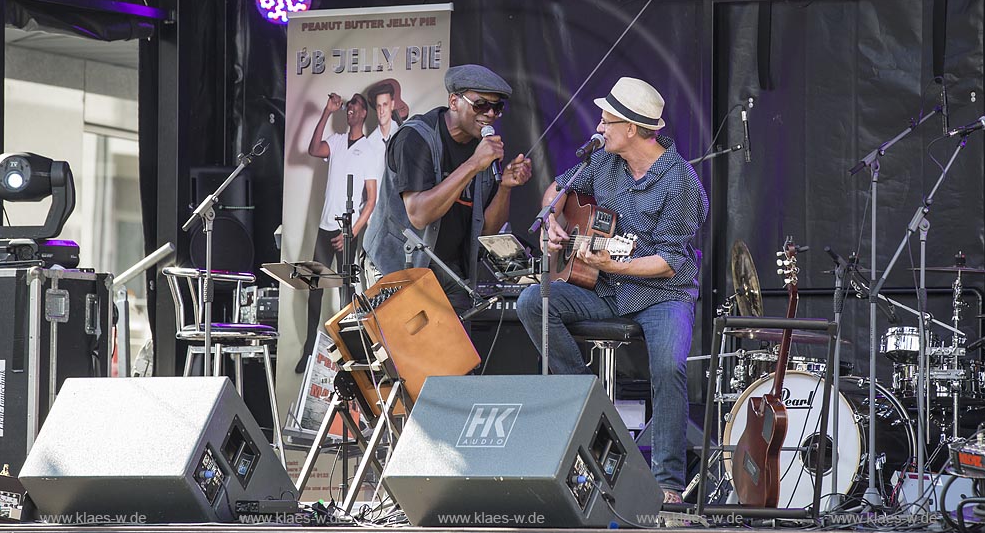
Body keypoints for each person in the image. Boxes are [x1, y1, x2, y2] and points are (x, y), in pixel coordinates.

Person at [515, 76, 708, 505]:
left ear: (634, 129)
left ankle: (668, 484)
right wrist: (554, 223)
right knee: (533, 300)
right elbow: (557, 191)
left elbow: (670, 261)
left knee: (670, 369)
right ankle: (595, 412)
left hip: (663, 294)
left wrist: (613, 263)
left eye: (607, 121)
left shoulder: (680, 183)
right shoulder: (603, 162)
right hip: (604, 287)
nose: (599, 127)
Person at [363, 64, 533, 311]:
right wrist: (473, 164)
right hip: (397, 267)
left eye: (497, 107)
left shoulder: (482, 151)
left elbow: (485, 231)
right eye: (480, 104)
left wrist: (505, 187)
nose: (490, 114)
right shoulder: (416, 137)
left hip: (449, 271)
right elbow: (419, 215)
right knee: (408, 349)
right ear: (454, 101)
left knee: (457, 348)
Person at [298, 92, 378, 373]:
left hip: (347, 230)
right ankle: (309, 349)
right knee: (314, 288)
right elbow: (312, 149)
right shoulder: (336, 141)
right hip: (324, 226)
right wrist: (327, 111)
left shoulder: (369, 150)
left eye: (355, 105)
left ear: (364, 112)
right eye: (348, 106)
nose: (350, 109)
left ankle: (346, 351)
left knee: (345, 291)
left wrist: (354, 230)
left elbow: (372, 198)